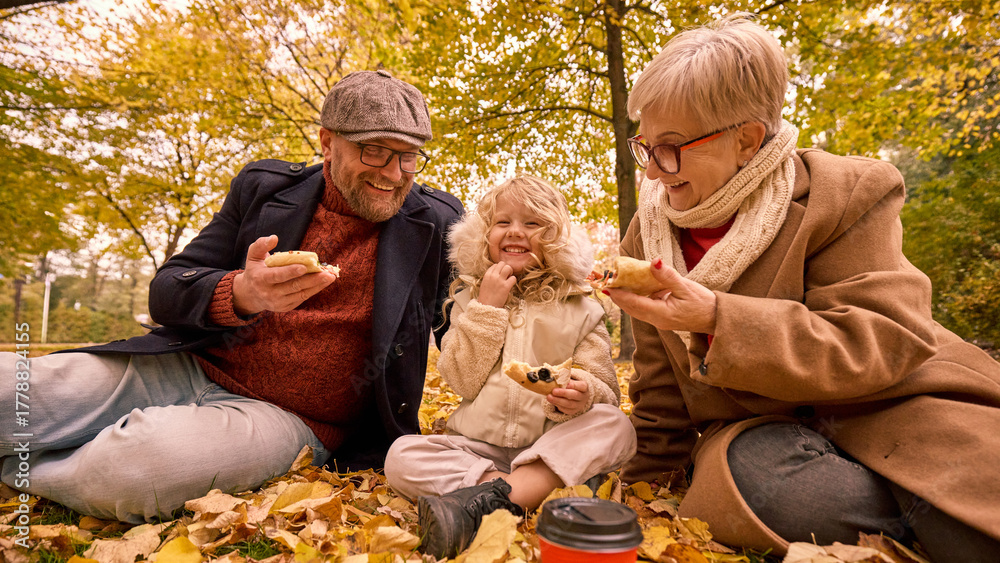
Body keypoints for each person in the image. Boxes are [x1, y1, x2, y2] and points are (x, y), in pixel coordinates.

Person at [602, 14, 1000, 563]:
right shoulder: (647, 231)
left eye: (670, 148)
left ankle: (934, 517)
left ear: (746, 139)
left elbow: (887, 338)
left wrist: (719, 317)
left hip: (897, 409)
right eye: (643, 147)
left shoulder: (850, 190)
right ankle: (925, 518)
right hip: (766, 443)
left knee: (966, 504)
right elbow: (661, 390)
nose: (652, 172)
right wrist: (640, 496)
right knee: (762, 478)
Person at [0, 70, 463, 524]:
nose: (393, 173)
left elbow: (462, 330)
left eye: (409, 157)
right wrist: (241, 292)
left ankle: (21, 469)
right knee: (16, 389)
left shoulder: (436, 224)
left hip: (286, 420)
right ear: (327, 142)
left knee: (137, 465)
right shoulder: (264, 188)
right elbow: (167, 289)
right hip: (186, 363)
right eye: (375, 151)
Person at [384, 175, 636, 558]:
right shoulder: (471, 298)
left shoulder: (582, 307)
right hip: (476, 450)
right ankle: (525, 491)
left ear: (555, 236)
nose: (515, 231)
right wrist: (487, 309)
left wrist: (582, 392)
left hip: (549, 444)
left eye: (532, 223)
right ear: (484, 234)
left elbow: (605, 389)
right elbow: (460, 380)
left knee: (615, 425)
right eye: (503, 222)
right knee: (400, 455)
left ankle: (487, 501)